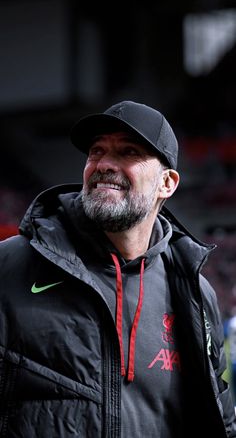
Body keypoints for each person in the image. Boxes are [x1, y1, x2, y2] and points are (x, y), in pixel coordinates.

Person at [0, 100, 235, 438]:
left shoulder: (195, 292)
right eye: (97, 151)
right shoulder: (10, 267)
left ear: (167, 183)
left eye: (128, 152)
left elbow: (220, 419)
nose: (105, 164)